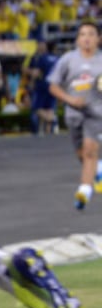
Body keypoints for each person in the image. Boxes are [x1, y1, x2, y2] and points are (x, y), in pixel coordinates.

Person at [49, 22, 102, 210]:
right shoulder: (68, 60)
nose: (86, 38)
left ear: (98, 38)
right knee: (81, 153)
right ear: (78, 39)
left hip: (95, 113)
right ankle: (99, 169)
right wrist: (69, 99)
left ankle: (84, 191)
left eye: (91, 34)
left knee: (90, 150)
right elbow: (53, 85)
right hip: (73, 113)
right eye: (82, 34)